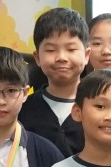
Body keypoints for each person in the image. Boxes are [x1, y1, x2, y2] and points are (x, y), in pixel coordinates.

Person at [21, 9, 87, 154]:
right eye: (51, 50)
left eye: (71, 49)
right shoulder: (23, 109)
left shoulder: (100, 107)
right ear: (37, 58)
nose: (61, 57)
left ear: (87, 55)